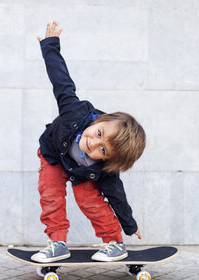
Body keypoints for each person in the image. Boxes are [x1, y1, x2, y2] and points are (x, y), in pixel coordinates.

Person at [31, 21, 146, 263]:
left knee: (90, 201)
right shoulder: (75, 112)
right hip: (54, 155)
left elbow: (117, 197)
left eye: (102, 150)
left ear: (108, 162)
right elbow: (61, 82)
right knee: (50, 194)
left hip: (83, 172)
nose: (93, 143)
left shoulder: (104, 170)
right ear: (99, 121)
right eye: (99, 133)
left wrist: (129, 225)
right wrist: (50, 47)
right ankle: (58, 243)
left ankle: (114, 243)